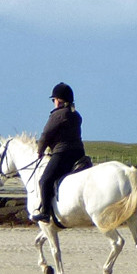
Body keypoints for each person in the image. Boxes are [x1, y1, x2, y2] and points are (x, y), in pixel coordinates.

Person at [33, 82, 87, 224]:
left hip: (63, 153)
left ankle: (45, 212)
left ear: (59, 100)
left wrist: (40, 151)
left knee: (44, 180)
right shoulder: (76, 115)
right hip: (79, 153)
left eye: (54, 100)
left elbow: (46, 134)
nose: (53, 103)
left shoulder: (58, 115)